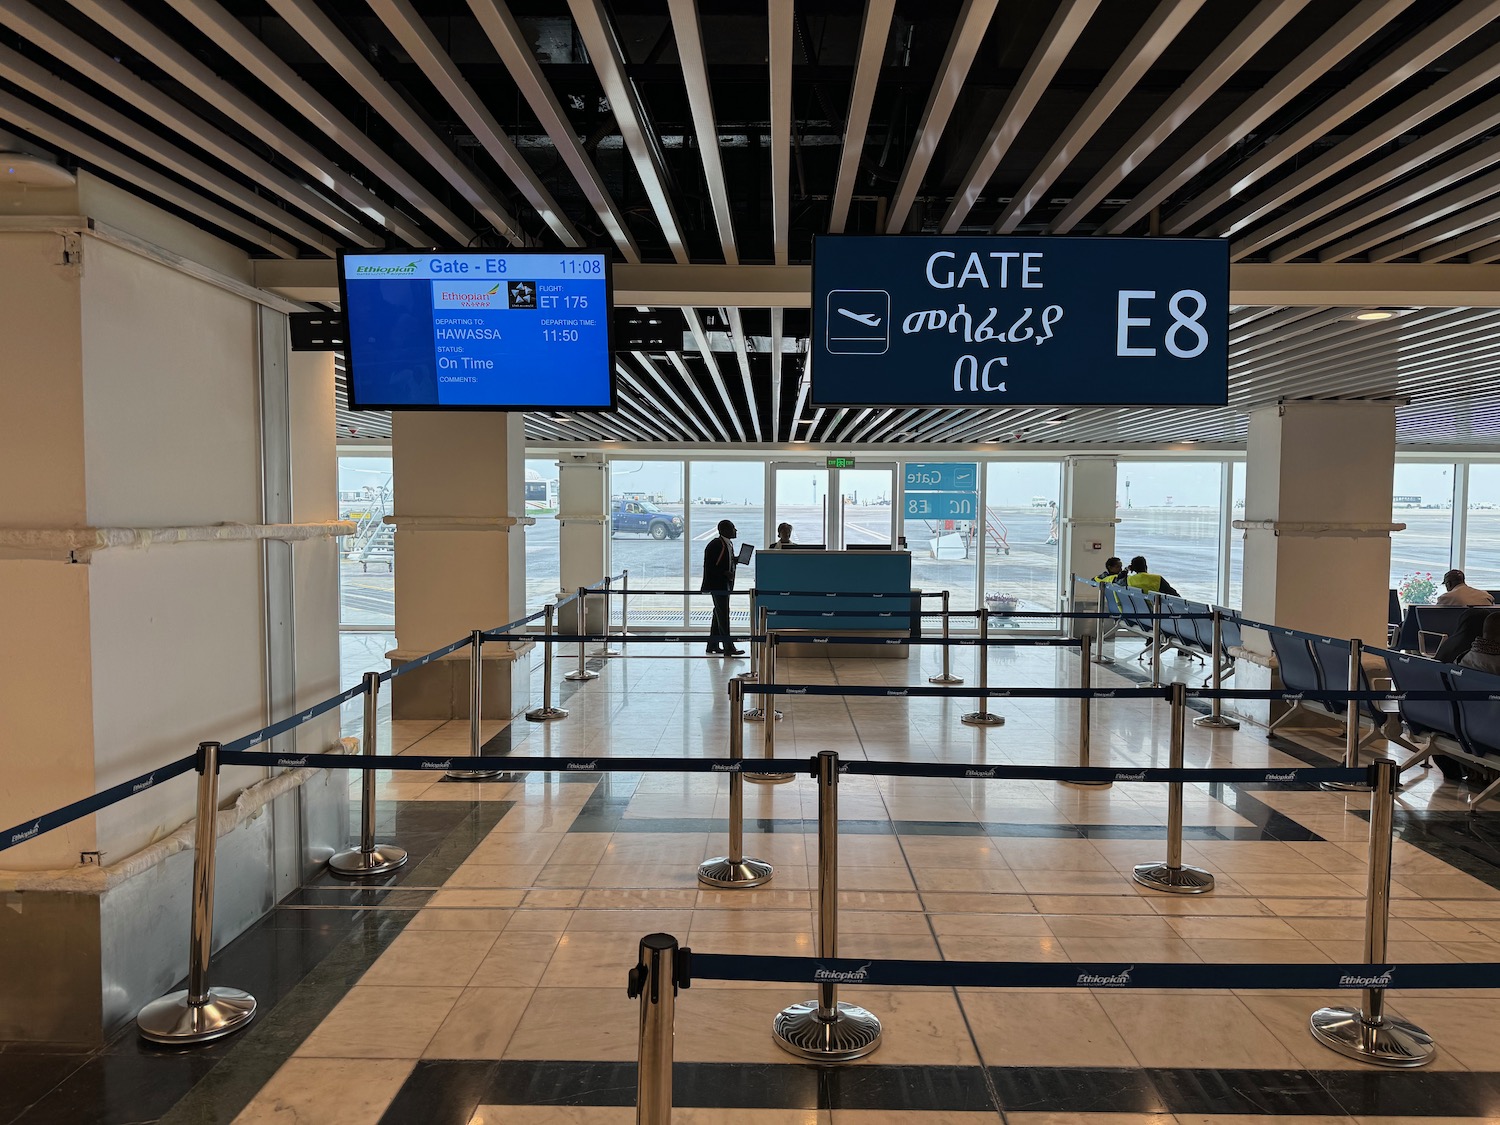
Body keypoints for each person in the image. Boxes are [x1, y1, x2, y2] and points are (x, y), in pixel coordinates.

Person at [701, 518, 744, 655]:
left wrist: (735, 560)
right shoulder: (715, 545)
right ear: (725, 530)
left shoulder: (728, 544)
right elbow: (709, 567)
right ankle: (728, 646)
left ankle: (712, 644)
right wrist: (725, 573)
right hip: (717, 585)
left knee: (718, 613)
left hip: (725, 585)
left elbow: (723, 561)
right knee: (723, 614)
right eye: (733, 528)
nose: (735, 530)